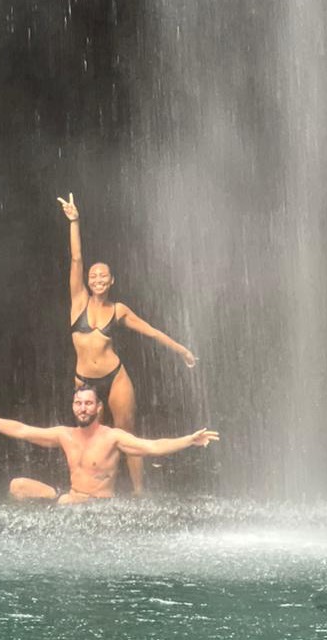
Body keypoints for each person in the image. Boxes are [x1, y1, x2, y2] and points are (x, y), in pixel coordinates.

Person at [56, 192, 197, 495]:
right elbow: (77, 258)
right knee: (93, 437)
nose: (96, 279)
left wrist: (181, 350)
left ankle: (138, 492)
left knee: (126, 433)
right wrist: (74, 221)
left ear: (111, 281)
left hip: (115, 376)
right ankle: (95, 491)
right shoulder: (77, 301)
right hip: (85, 381)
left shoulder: (117, 310)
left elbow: (150, 330)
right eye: (93, 275)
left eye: (103, 276)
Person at [0, 385, 218, 505]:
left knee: (67, 503)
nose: (83, 408)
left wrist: (189, 440)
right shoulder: (64, 434)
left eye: (88, 403)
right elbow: (21, 430)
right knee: (17, 486)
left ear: (99, 407)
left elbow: (151, 447)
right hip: (70, 498)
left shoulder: (112, 437)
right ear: (73, 406)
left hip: (97, 506)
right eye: (79, 403)